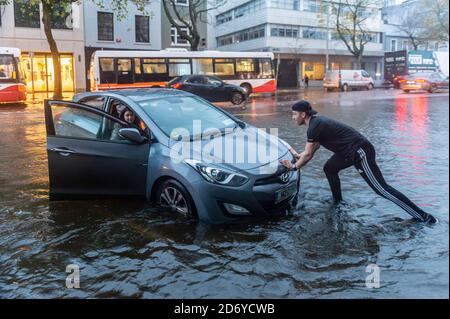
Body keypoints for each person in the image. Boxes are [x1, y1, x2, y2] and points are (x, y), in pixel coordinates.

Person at [280, 100, 438, 223]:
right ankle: (338, 201)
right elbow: (311, 150)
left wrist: (293, 167)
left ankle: (424, 217)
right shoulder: (316, 123)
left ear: (302, 114)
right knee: (330, 168)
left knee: (381, 189)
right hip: (347, 153)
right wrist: (298, 156)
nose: (293, 117)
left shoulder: (314, 126)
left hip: (360, 152)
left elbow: (308, 155)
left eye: (294, 114)